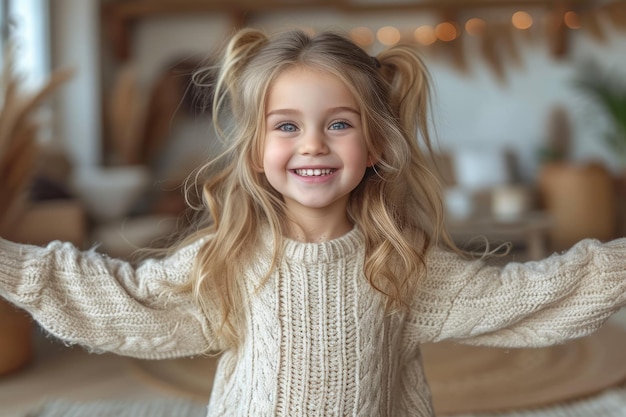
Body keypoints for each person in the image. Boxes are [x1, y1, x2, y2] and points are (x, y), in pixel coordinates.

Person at [1, 27, 625, 417]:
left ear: (376, 144)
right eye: (287, 126)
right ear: (255, 150)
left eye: (340, 123)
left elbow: (528, 297)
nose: (313, 145)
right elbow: (125, 302)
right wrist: (14, 266)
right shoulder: (231, 258)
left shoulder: (401, 265)